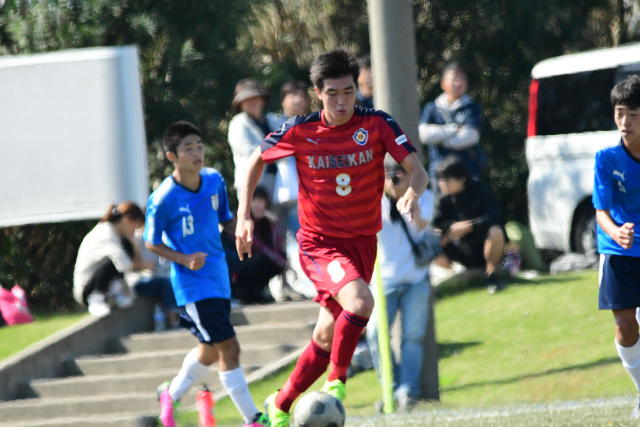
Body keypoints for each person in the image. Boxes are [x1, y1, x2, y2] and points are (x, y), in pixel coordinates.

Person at [235, 49, 428, 426]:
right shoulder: (300, 129)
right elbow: (254, 161)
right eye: (333, 94)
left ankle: (280, 405)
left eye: (349, 92)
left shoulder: (377, 124)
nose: (342, 102)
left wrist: (412, 193)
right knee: (360, 302)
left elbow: (416, 169)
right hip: (320, 244)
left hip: (362, 243)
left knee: (326, 335)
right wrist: (243, 214)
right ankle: (337, 382)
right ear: (317, 93)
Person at [143, 121, 268, 427]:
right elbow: (151, 242)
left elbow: (225, 218)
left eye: (199, 146)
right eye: (188, 148)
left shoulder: (213, 180)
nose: (197, 153)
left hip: (219, 277)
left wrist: (240, 230)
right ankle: (253, 418)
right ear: (172, 156)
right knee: (229, 347)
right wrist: (184, 259)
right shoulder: (163, 198)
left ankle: (170, 396)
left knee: (210, 351)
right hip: (193, 286)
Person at [366, 158, 436, 411]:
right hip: (384, 281)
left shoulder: (424, 197)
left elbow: (422, 224)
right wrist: (385, 195)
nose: (395, 181)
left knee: (412, 338)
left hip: (416, 278)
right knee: (375, 335)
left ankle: (408, 391)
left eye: (400, 175)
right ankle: (390, 389)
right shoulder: (375, 201)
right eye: (390, 176)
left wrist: (407, 198)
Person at [593, 74, 640, 419]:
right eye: (619, 113)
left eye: (633, 115)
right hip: (618, 252)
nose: (624, 122)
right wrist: (616, 233)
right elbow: (601, 211)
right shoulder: (606, 158)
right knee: (625, 328)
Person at [431, 155, 505, 293]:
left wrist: (470, 226)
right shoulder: (443, 200)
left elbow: (495, 216)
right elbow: (436, 224)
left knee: (496, 231)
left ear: (462, 178)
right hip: (460, 249)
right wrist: (448, 230)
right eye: (439, 179)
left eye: (446, 179)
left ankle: (492, 275)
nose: (442, 183)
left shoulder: (479, 190)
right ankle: (455, 277)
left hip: (483, 246)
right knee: (431, 238)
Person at [73, 202, 153, 317]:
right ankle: (95, 298)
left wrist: (134, 244)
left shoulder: (117, 234)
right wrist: (143, 265)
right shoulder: (106, 234)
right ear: (126, 220)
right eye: (135, 225)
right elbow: (124, 265)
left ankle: (114, 293)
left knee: (126, 248)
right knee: (114, 261)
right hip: (87, 289)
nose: (134, 230)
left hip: (106, 288)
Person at [419, 62, 485, 190]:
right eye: (455, 79)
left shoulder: (471, 107)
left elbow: (471, 136)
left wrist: (441, 139)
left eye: (462, 79)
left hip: (467, 171)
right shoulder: (432, 108)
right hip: (439, 170)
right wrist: (454, 129)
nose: (459, 83)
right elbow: (425, 135)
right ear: (443, 83)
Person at [224, 186, 286, 304]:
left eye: (261, 201)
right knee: (267, 259)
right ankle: (242, 292)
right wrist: (281, 260)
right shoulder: (239, 221)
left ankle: (255, 292)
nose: (257, 205)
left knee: (275, 259)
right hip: (237, 266)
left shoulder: (265, 223)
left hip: (252, 263)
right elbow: (258, 246)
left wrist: (275, 224)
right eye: (254, 200)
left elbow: (278, 248)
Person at [228, 78, 277, 195]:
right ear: (240, 104)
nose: (252, 102)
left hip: (277, 182)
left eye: (255, 98)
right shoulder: (238, 123)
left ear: (262, 100)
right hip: (251, 184)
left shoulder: (274, 120)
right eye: (246, 100)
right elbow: (249, 151)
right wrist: (279, 151)